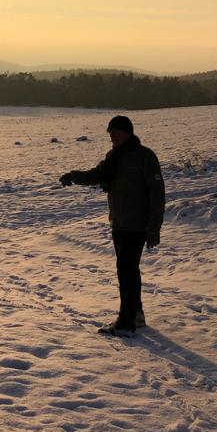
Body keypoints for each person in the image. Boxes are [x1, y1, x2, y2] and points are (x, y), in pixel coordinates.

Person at [59, 115, 165, 336]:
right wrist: (74, 176)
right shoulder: (113, 157)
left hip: (137, 224)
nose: (112, 137)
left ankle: (126, 322)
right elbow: (96, 175)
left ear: (127, 132)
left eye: (115, 132)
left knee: (125, 270)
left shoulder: (145, 157)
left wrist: (154, 227)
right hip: (118, 223)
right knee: (128, 270)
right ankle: (136, 314)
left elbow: (157, 195)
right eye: (110, 133)